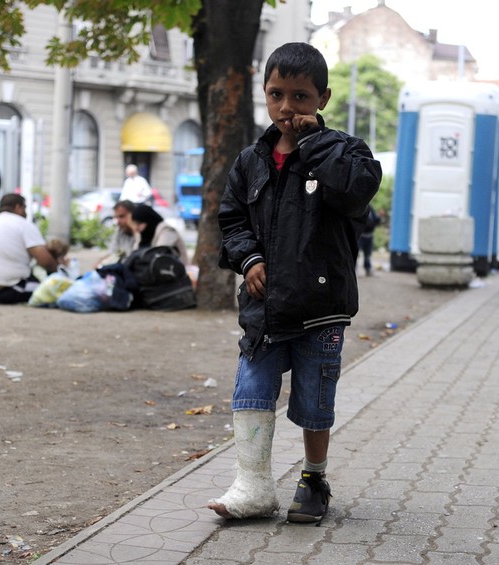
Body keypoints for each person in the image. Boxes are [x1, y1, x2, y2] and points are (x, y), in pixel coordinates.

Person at [211, 42, 381, 524]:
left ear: (322, 99)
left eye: (301, 97)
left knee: (314, 399)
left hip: (321, 305)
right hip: (264, 306)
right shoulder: (251, 160)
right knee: (252, 388)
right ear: (265, 96)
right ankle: (254, 483)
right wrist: (248, 260)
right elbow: (232, 219)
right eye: (276, 95)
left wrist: (314, 143)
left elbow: (356, 192)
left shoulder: (345, 151)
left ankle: (313, 477)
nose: (288, 108)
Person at [0, 193, 57, 303]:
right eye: (25, 208)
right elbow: (46, 262)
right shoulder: (23, 224)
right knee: (46, 287)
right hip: (6, 290)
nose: (26, 213)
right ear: (18, 207)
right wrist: (59, 271)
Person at [95, 200, 136, 267]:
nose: (118, 221)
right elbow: (112, 253)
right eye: (116, 217)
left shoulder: (141, 233)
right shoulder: (120, 231)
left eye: (122, 216)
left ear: (133, 215)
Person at [358, 204, 381, 276]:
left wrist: (379, 217)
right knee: (356, 254)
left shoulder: (370, 208)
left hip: (369, 235)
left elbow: (376, 220)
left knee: (367, 255)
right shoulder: (359, 207)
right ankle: (354, 270)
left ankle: (368, 269)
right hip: (360, 235)